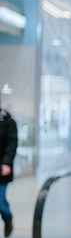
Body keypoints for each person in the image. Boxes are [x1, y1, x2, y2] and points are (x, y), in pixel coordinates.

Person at [0, 99, 17, 237]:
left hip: (1, 170)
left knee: (0, 203)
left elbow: (12, 144)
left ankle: (8, 219)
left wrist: (6, 163)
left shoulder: (7, 121)